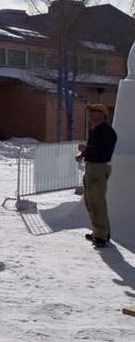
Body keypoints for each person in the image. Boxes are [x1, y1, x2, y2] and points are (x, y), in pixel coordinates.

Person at [75, 103, 118, 248]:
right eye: (91, 112)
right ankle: (99, 232)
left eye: (95, 112)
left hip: (99, 168)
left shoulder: (107, 132)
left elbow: (100, 152)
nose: (91, 115)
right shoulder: (94, 130)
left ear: (103, 115)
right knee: (90, 202)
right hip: (91, 168)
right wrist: (82, 154)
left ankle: (101, 236)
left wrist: (86, 149)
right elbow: (91, 148)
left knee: (98, 202)